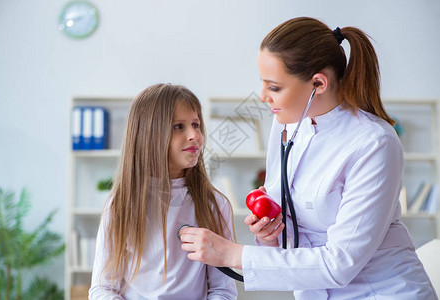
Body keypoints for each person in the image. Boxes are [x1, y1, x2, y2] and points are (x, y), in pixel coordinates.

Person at [180, 17, 437, 299]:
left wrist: (232, 254)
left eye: (274, 87)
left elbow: (340, 264)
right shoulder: (285, 126)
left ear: (318, 83)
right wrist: (270, 235)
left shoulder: (374, 143)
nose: (263, 96)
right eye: (263, 84)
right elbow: (292, 227)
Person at [89, 83, 237, 299]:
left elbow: (222, 290)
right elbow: (103, 288)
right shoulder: (120, 206)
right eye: (179, 126)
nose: (194, 135)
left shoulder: (214, 204)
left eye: (196, 125)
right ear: (149, 135)